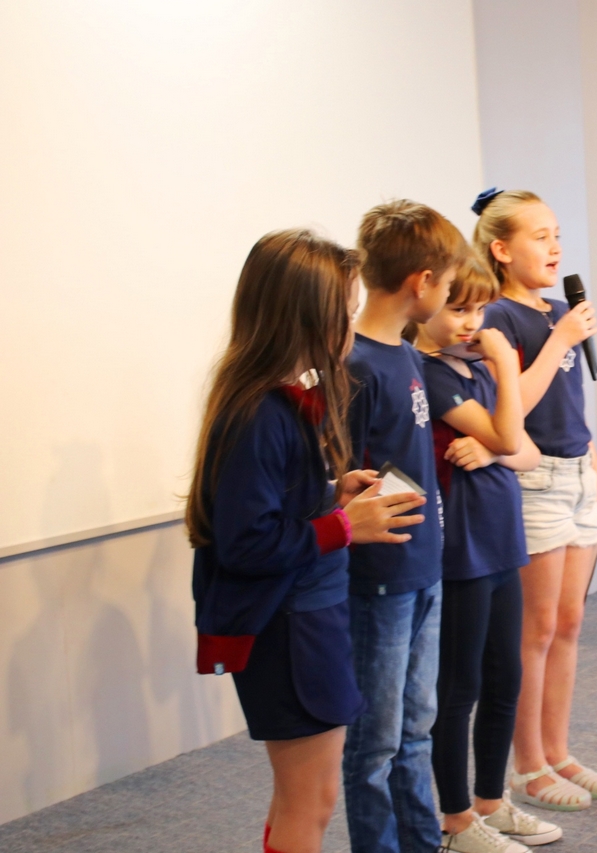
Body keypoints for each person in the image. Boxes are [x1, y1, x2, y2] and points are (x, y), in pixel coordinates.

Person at [188, 229, 427, 853]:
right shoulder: (259, 412)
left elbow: (272, 506)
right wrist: (345, 525)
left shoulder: (280, 401)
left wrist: (331, 493)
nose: (351, 327)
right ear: (306, 319)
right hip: (288, 629)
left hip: (306, 619)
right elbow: (247, 544)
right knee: (310, 801)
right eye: (344, 314)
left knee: (303, 798)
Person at [407, 257, 560, 853]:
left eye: (478, 310)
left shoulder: (477, 371)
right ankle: (455, 818)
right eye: (459, 308)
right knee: (460, 685)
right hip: (461, 551)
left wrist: (495, 450)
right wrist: (505, 363)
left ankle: (492, 802)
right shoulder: (430, 372)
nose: (472, 322)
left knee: (505, 677)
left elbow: (526, 451)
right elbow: (509, 434)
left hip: (501, 545)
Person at [474, 189, 597, 810]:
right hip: (534, 482)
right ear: (502, 250)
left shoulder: (561, 311)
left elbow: (571, 406)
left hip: (578, 474)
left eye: (557, 234)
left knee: (569, 623)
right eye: (540, 236)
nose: (555, 247)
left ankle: (558, 752)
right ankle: (526, 766)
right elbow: (513, 411)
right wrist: (559, 340)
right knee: (535, 630)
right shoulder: (496, 317)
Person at [344, 201, 469, 853]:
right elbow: (347, 477)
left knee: (417, 727)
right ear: (421, 282)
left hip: (424, 569)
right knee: (375, 742)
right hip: (381, 579)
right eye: (447, 283)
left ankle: (422, 842)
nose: (448, 295)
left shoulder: (408, 357)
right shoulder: (355, 363)